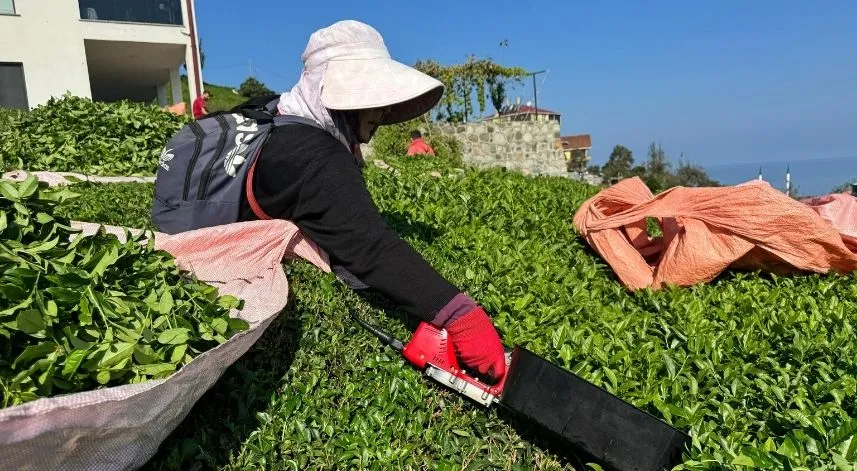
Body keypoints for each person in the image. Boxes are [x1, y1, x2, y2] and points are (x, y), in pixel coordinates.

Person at [237, 20, 507, 383]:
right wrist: (461, 316)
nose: (381, 110)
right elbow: (369, 247)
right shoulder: (313, 154)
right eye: (369, 97)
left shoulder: (280, 118)